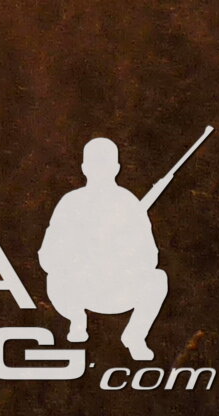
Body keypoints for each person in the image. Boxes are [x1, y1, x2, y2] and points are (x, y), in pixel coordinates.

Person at [43, 135, 174, 362]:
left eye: (104, 164)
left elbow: (150, 257)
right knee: (54, 278)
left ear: (116, 168)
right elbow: (47, 256)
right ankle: (76, 319)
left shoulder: (129, 203)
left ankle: (135, 336)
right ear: (84, 168)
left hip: (118, 289)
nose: (100, 170)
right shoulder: (70, 203)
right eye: (95, 164)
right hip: (80, 289)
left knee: (158, 279)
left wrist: (122, 253)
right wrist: (79, 256)